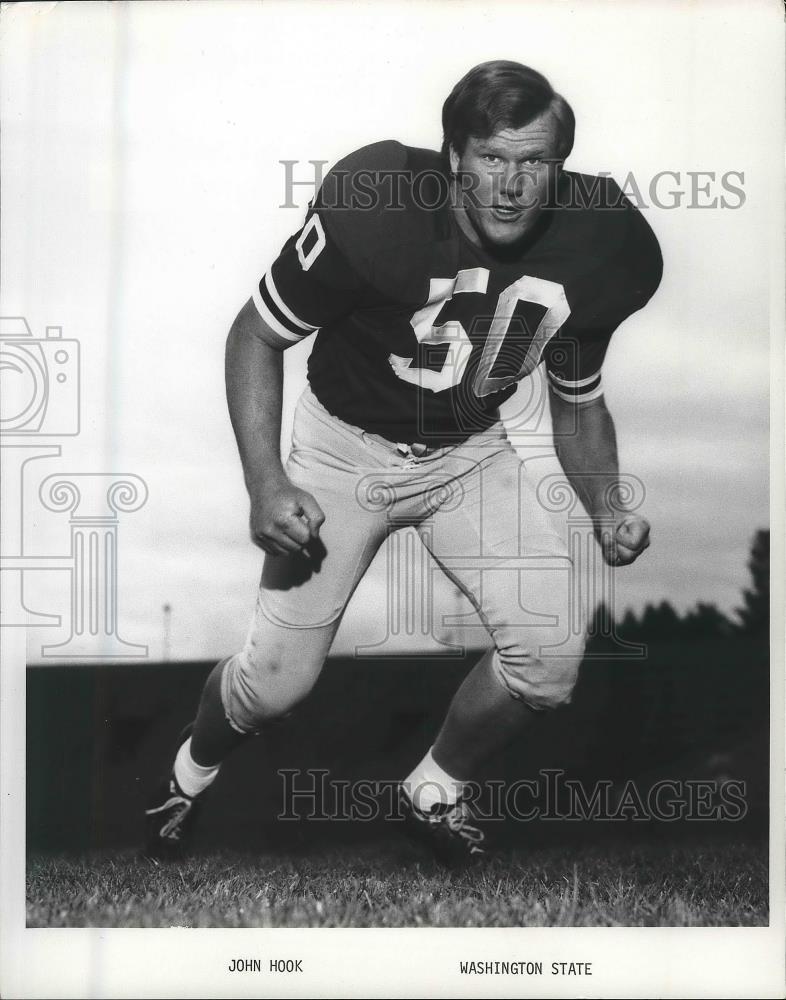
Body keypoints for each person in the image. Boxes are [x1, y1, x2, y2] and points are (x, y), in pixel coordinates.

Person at [145, 60, 662, 868]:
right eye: (493, 157)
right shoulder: (378, 204)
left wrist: (603, 506)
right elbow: (256, 333)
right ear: (454, 154)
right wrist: (266, 482)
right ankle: (189, 773)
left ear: (561, 166)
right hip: (343, 449)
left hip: (469, 454)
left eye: (535, 162)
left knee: (551, 661)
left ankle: (433, 788)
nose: (514, 184)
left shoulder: (604, 243)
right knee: (274, 687)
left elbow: (579, 399)